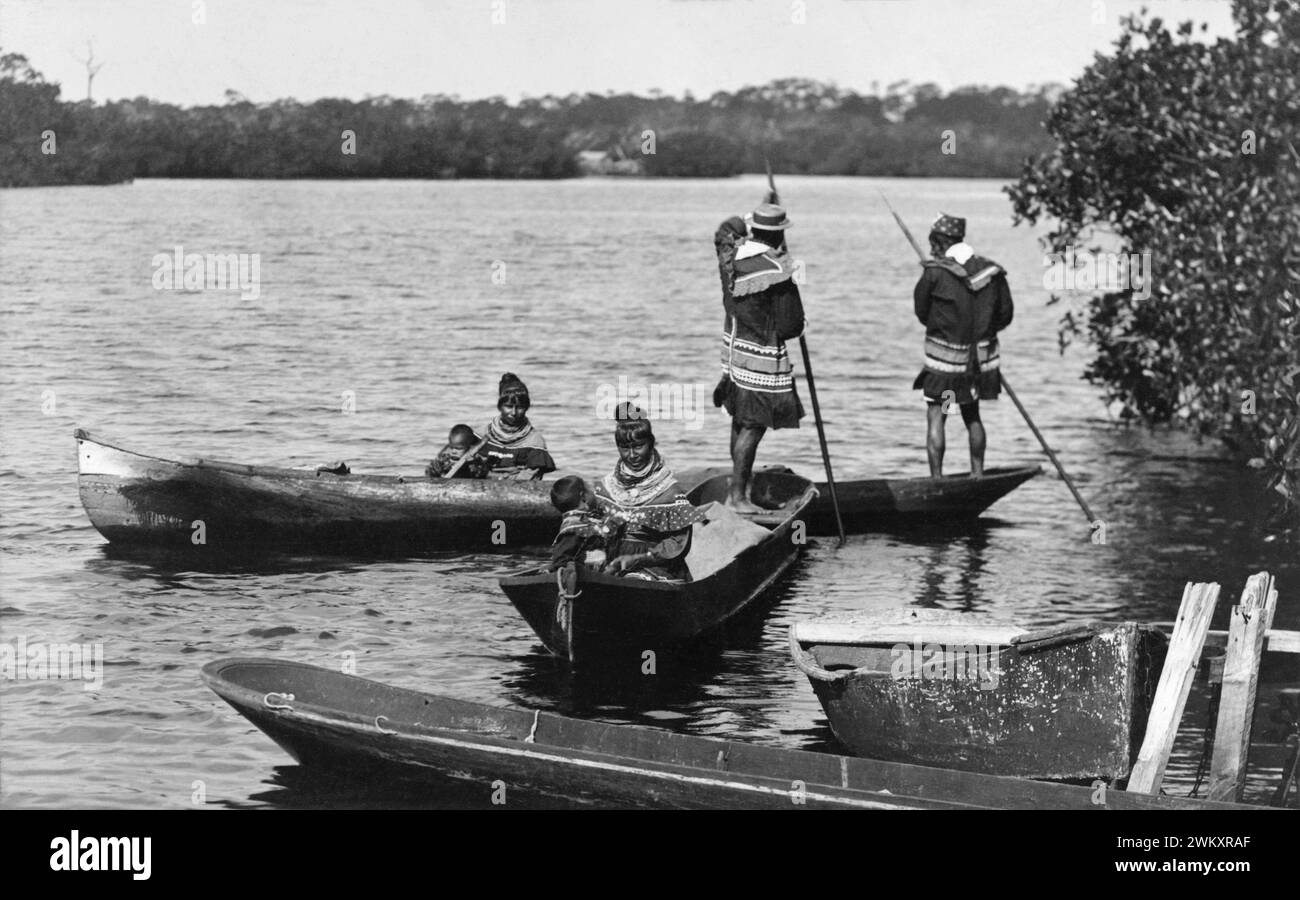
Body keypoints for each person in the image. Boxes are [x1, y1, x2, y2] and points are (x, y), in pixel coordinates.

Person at [712, 198, 805, 512]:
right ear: (778, 235)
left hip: (736, 351)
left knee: (740, 419)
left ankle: (740, 489)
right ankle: (737, 497)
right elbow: (791, 324)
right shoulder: (777, 269)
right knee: (754, 425)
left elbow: (728, 227)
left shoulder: (733, 256)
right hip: (762, 357)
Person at [912, 213, 1014, 477]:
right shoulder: (992, 272)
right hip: (978, 364)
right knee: (971, 414)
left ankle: (937, 478)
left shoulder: (934, 273)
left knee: (939, 414)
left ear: (937, 241)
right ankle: (977, 473)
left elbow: (922, 313)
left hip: (945, 366)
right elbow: (1005, 316)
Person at [594, 403, 703, 580]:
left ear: (651, 444)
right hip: (613, 565)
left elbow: (678, 543)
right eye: (624, 448)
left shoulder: (671, 493)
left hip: (655, 567)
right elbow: (596, 529)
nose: (631, 455)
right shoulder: (606, 487)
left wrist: (638, 559)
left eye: (638, 446)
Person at [474, 373, 557, 480]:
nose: (513, 412)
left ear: (526, 408)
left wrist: (501, 479)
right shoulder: (481, 434)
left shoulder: (534, 441)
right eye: (508, 407)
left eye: (519, 408)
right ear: (499, 406)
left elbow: (530, 477)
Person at [546, 475, 625, 571]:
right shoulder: (572, 529)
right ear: (583, 497)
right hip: (587, 575)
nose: (594, 494)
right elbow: (560, 558)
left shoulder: (587, 519)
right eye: (590, 490)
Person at [425, 424, 490, 479]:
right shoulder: (444, 458)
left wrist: (472, 464)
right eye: (451, 447)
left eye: (458, 449)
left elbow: (483, 474)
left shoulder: (475, 462)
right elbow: (430, 471)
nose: (453, 451)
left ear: (469, 448)